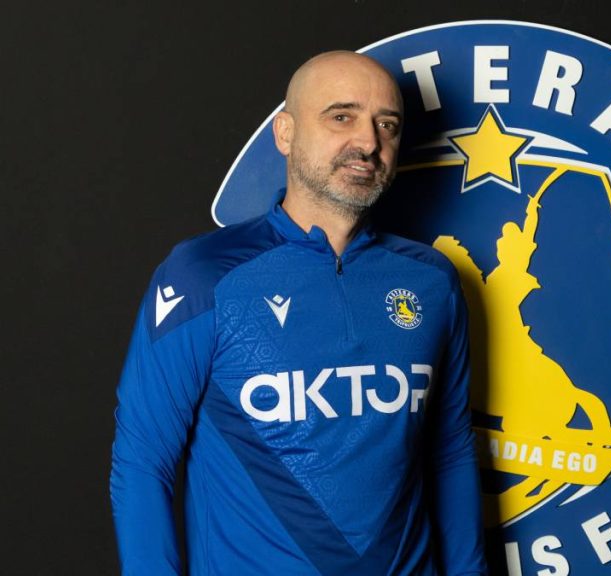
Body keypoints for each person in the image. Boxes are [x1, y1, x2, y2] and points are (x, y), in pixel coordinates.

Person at [109, 51, 487, 576]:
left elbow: (449, 451)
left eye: (387, 125)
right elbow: (143, 461)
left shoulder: (432, 279)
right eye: (341, 117)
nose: (368, 142)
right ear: (285, 134)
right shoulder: (205, 275)